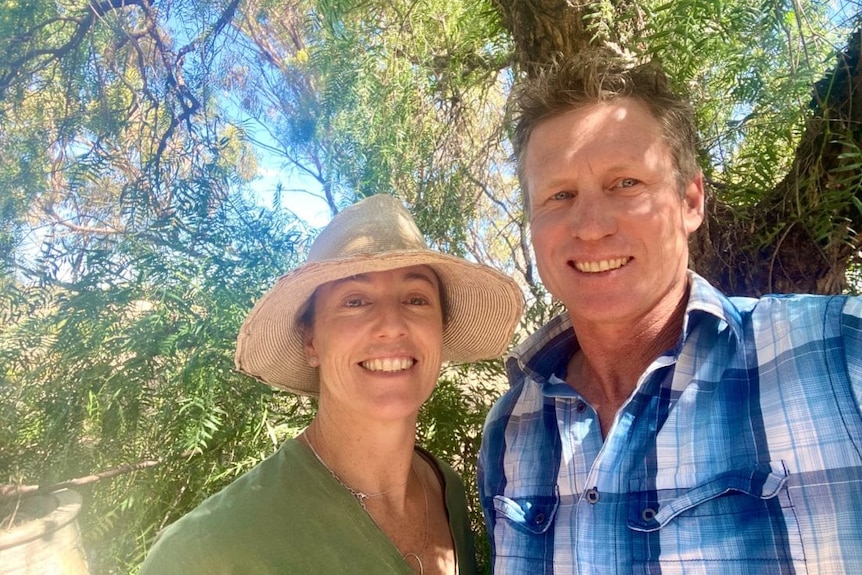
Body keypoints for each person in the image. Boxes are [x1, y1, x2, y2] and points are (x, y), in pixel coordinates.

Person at [478, 48, 862, 573]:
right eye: (559, 195)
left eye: (625, 184)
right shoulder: (512, 425)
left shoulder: (837, 355)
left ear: (691, 201)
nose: (590, 226)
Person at [141, 194, 523, 574]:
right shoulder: (207, 552)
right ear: (311, 341)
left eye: (416, 298)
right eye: (354, 301)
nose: (392, 324)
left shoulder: (447, 491)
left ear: (440, 331)